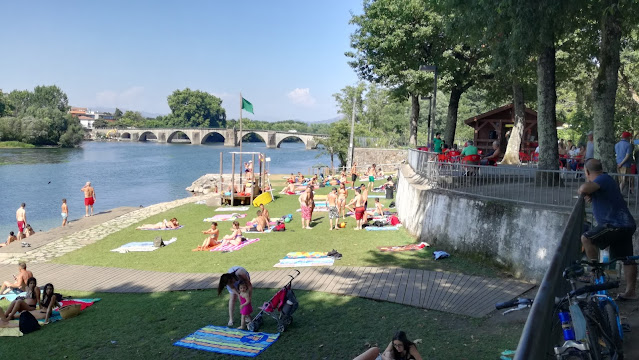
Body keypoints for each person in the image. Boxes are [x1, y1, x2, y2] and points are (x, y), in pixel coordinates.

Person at [579, 158, 637, 301]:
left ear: (587, 172)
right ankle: (630, 292)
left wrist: (584, 191)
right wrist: (591, 195)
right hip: (625, 224)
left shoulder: (602, 179)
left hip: (614, 224)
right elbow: (595, 192)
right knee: (627, 258)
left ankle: (595, 272)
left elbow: (584, 188)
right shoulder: (605, 180)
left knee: (586, 238)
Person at [353, 331, 422, 360]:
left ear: (404, 343)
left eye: (400, 345)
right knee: (382, 352)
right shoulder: (392, 344)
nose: (397, 347)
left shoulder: (410, 348)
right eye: (395, 345)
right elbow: (383, 355)